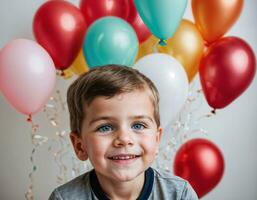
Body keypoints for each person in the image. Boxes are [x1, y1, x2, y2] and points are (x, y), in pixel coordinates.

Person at [49, 65, 198, 200]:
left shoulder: (178, 194)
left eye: (138, 125)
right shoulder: (64, 198)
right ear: (80, 146)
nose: (124, 139)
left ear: (157, 138)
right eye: (105, 127)